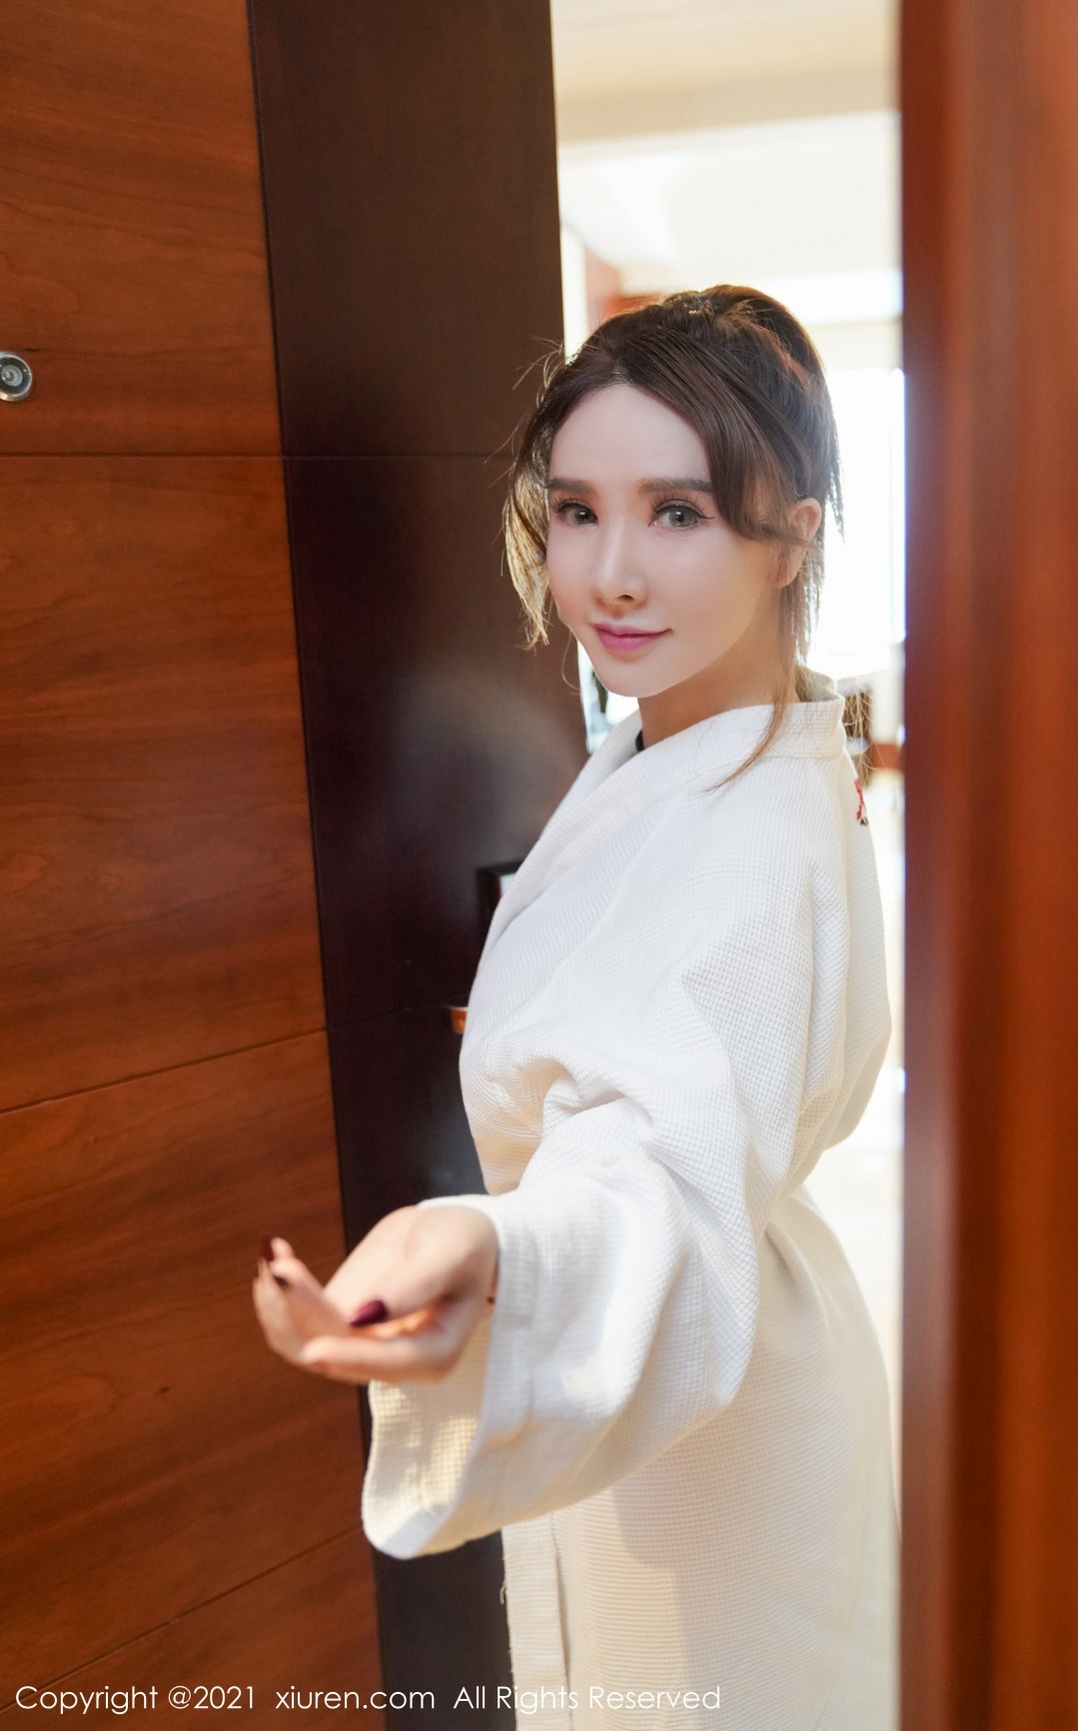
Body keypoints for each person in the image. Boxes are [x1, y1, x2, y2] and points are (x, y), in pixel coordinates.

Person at [252, 285, 897, 1730]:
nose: (609, 573)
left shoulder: (745, 840)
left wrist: (497, 1248)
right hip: (719, 1361)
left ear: (793, 535)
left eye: (677, 513)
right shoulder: (706, 746)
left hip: (709, 1437)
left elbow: (652, 1166)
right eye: (577, 510)